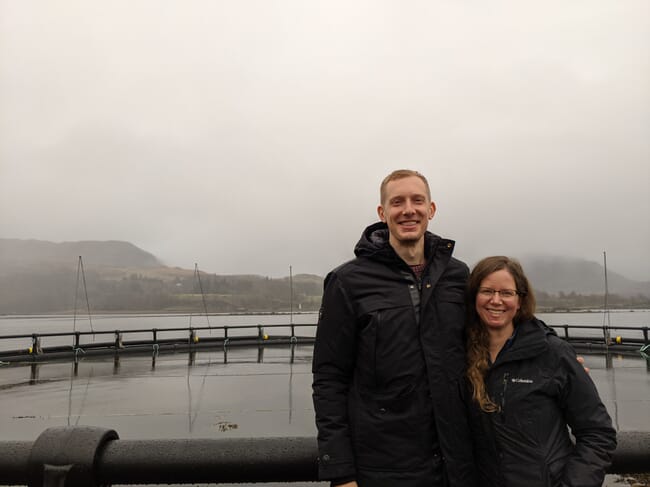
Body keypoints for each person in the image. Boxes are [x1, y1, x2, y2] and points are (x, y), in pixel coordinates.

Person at [312, 169, 477, 487]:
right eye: (397, 202)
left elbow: (500, 324)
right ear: (382, 212)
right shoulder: (348, 282)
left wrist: (555, 349)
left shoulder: (457, 276)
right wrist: (341, 472)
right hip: (384, 468)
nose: (408, 210)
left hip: (456, 465)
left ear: (431, 210)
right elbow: (329, 379)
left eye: (417, 200)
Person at [465, 256, 617, 487]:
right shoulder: (458, 356)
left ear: (520, 300)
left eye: (506, 293)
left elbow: (598, 433)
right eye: (487, 291)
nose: (496, 300)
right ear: (474, 296)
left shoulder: (553, 353)